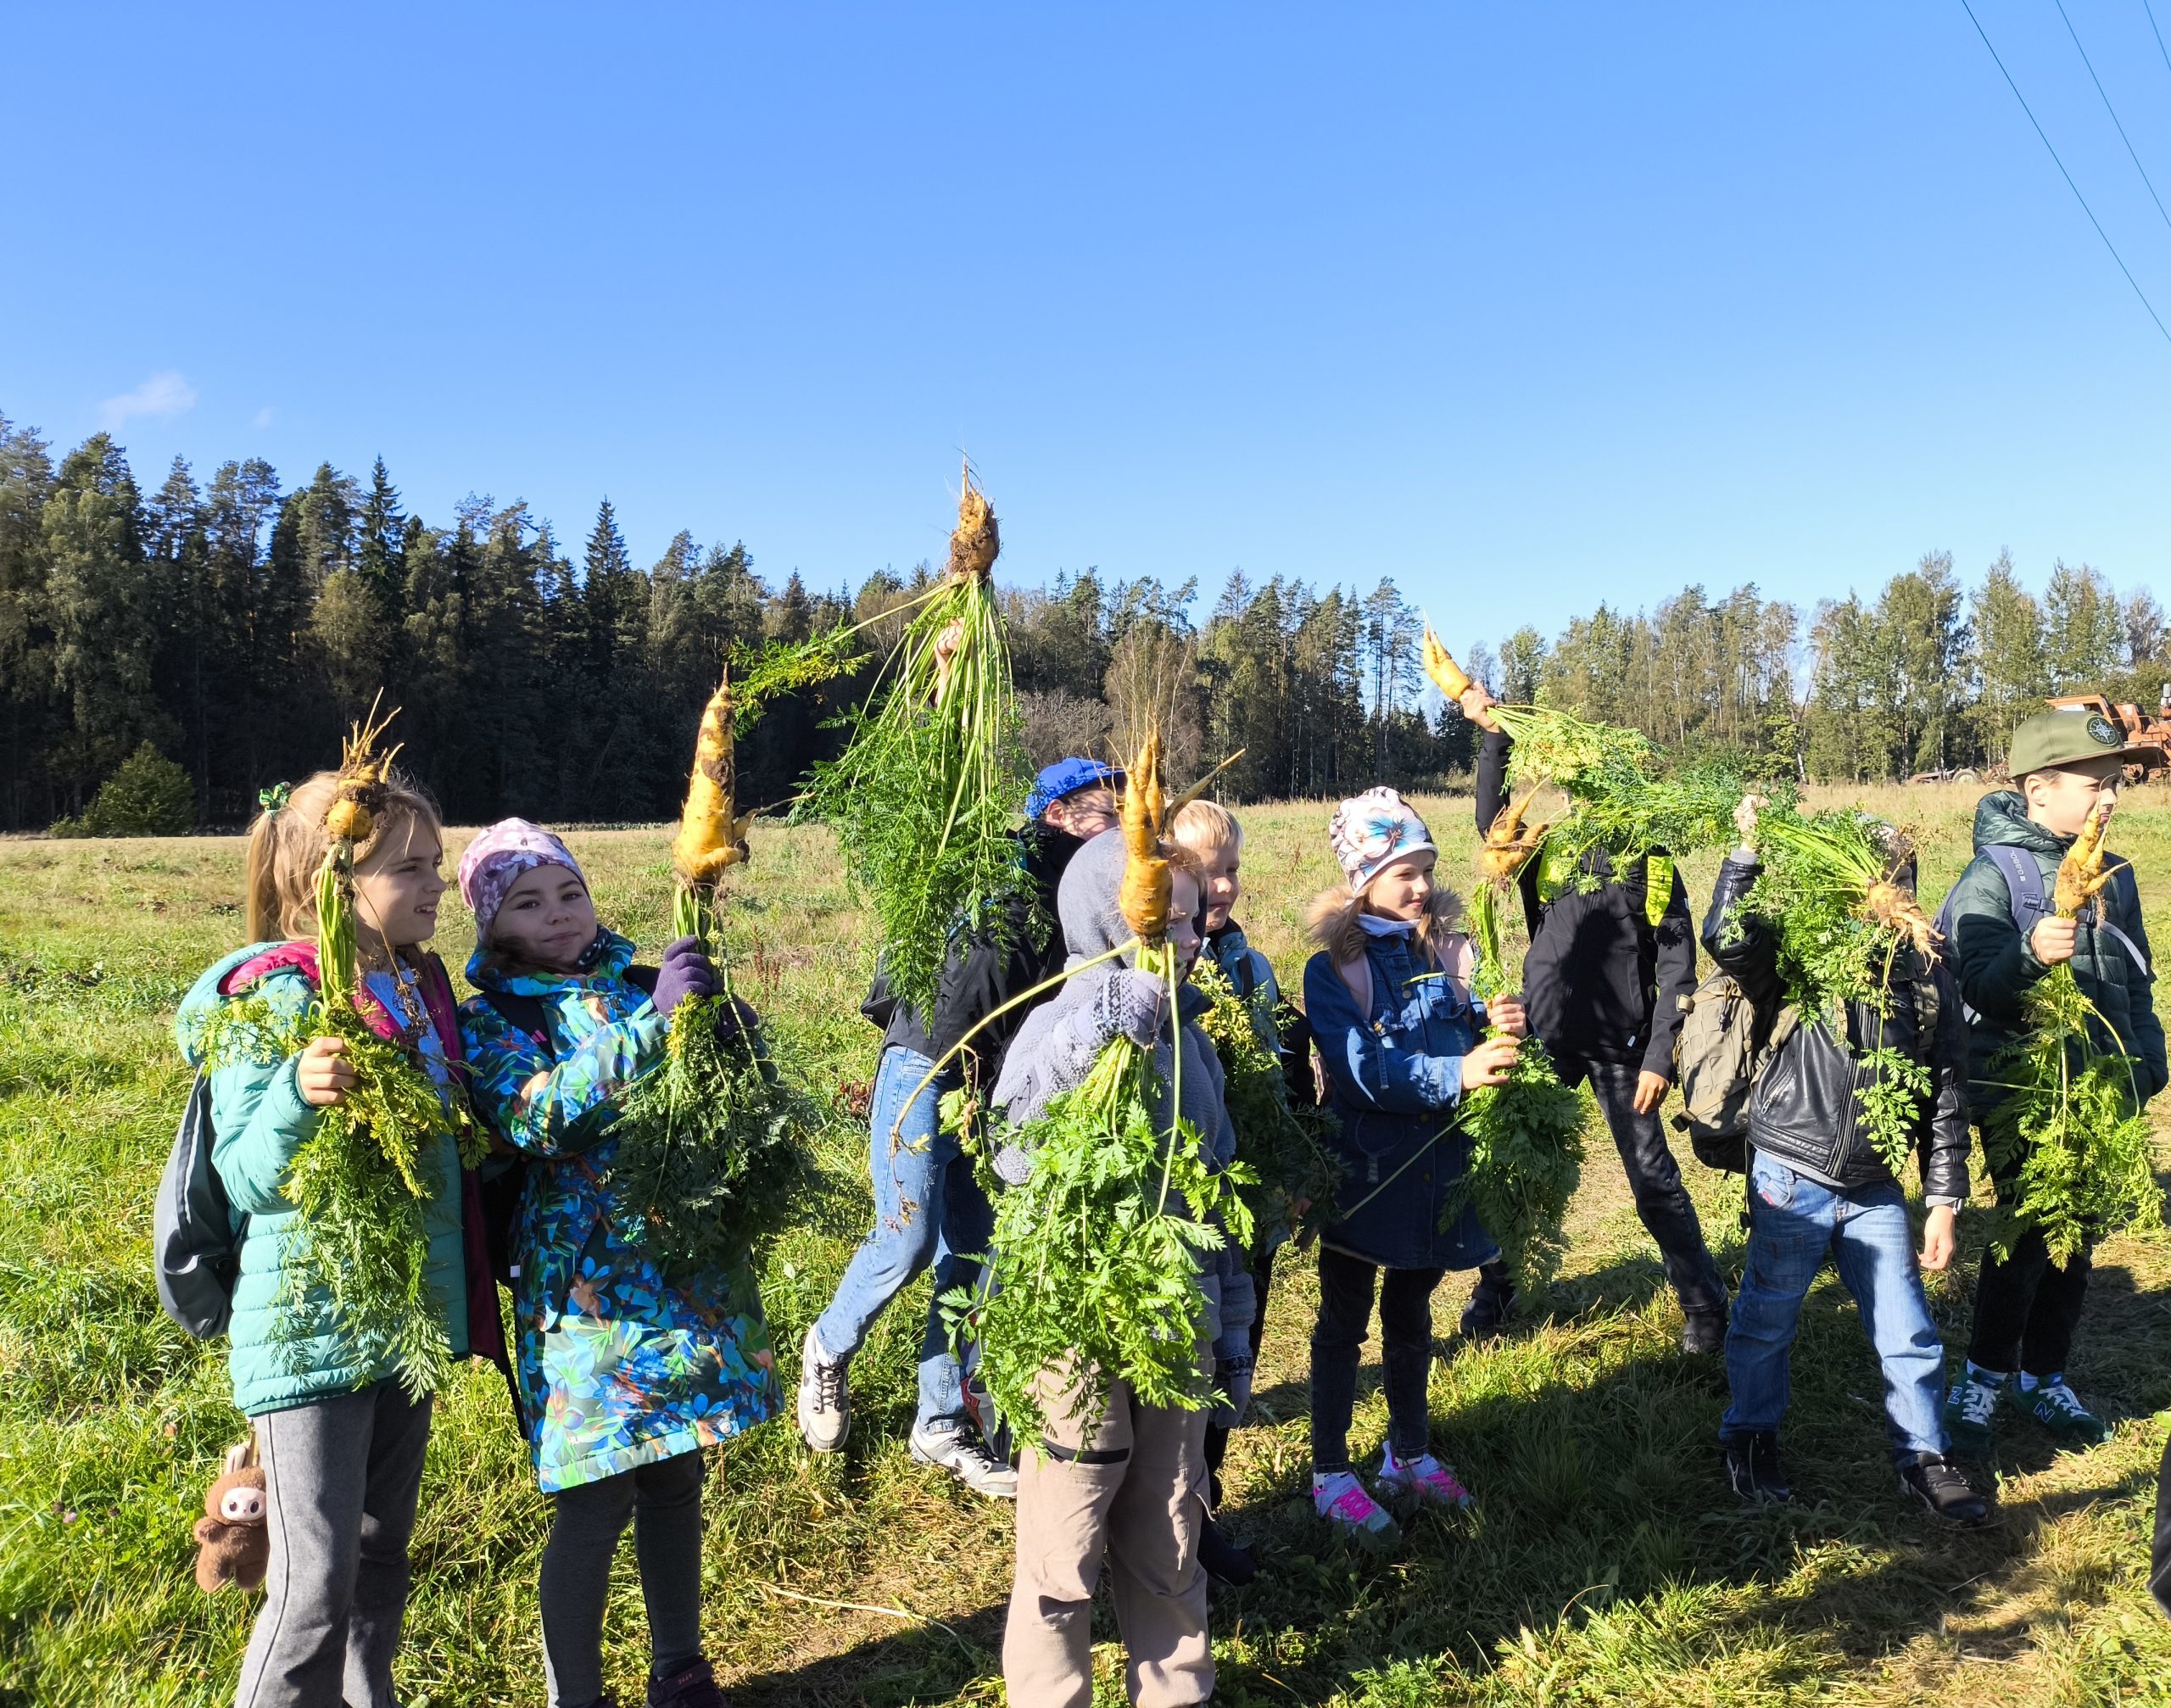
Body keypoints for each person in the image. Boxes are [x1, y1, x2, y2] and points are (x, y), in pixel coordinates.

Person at [175, 768, 483, 1708]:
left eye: (436, 862)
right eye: (410, 867)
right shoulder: (274, 996)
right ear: (334, 884)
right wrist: (295, 1095)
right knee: (312, 1584)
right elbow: (244, 1175)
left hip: (401, 1316)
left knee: (380, 1552)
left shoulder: (418, 983)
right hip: (308, 1329)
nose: (437, 882)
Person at [457, 820, 777, 1708]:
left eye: (570, 892)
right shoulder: (492, 1022)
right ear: (490, 923)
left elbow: (724, 1107)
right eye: (528, 902)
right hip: (585, 1302)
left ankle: (680, 1668)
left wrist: (730, 1037)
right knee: (594, 1500)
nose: (558, 913)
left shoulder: (639, 983)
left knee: (675, 1474)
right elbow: (538, 1120)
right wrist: (652, 1027)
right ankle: (579, 1695)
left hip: (681, 1278)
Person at [795, 758, 1122, 1496]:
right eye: (1107, 810)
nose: (1122, 827)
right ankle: (828, 1346)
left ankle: (939, 1423)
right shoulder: (995, 861)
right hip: (924, 1063)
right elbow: (947, 811)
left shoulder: (1089, 893)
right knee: (907, 1239)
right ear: (1058, 814)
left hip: (997, 1084)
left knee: (973, 1254)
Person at [988, 829, 1252, 1708]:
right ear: (1108, 921)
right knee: (1065, 1539)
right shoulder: (1055, 1022)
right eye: (1165, 921)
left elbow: (1217, 1200)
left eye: (1191, 921)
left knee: (1170, 1525)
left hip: (1176, 1323)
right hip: (1075, 1328)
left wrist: (1235, 1330)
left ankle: (1177, 1691)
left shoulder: (1192, 1045)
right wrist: (1097, 1028)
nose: (1187, 939)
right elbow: (1011, 1149)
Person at [1704, 795, 1987, 1522]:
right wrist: (1745, 852)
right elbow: (1727, 937)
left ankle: (1925, 1455)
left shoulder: (1928, 969)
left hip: (1874, 1184)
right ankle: (1750, 1437)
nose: (1885, 897)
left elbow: (1947, 1090)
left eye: (1898, 879)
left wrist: (1944, 1200)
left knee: (1907, 1327)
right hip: (1790, 1168)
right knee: (1767, 1318)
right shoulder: (1802, 958)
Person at [1462, 680, 1724, 1350]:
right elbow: (1493, 825)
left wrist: (1660, 1056)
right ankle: (1498, 1290)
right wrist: (1493, 738)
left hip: (1621, 1050)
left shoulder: (1651, 861)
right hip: (1546, 1034)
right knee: (1518, 1167)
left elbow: (1677, 968)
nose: (1591, 794)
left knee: (1652, 1179)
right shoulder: (1550, 845)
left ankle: (1704, 1304)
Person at [1301, 787, 1528, 1542]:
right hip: (1365, 1178)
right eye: (1404, 873)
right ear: (1363, 879)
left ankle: (1408, 1453)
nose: (1422, 886)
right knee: (1343, 1321)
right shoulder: (1335, 969)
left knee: (1411, 1315)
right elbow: (1361, 1072)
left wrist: (1500, 1024)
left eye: (1427, 869)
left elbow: (1473, 1037)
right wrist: (1457, 1074)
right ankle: (1331, 1470)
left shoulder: (1451, 953)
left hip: (1436, 1173)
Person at [1940, 708, 2166, 1455]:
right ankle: (1982, 1376)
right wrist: (2031, 954)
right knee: (2026, 1232)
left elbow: (2136, 978)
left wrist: (2148, 1061)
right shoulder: (1994, 874)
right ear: (2039, 789)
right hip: (2026, 1092)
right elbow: (1978, 981)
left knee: (2078, 1238)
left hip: (2100, 1087)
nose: (2111, 799)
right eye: (2096, 785)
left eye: (2117, 784)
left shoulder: (2114, 875)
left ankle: (2045, 1375)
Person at [1169, 796, 1314, 1586]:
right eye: (1205, 872)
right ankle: (1167, 1529)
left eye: (1231, 870)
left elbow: (1286, 1075)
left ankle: (1207, 1510)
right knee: (1183, 1370)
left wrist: (1294, 1171)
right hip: (1183, 1204)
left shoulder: (1251, 967)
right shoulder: (1157, 967)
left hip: (1247, 1203)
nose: (1222, 887)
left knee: (1235, 1354)